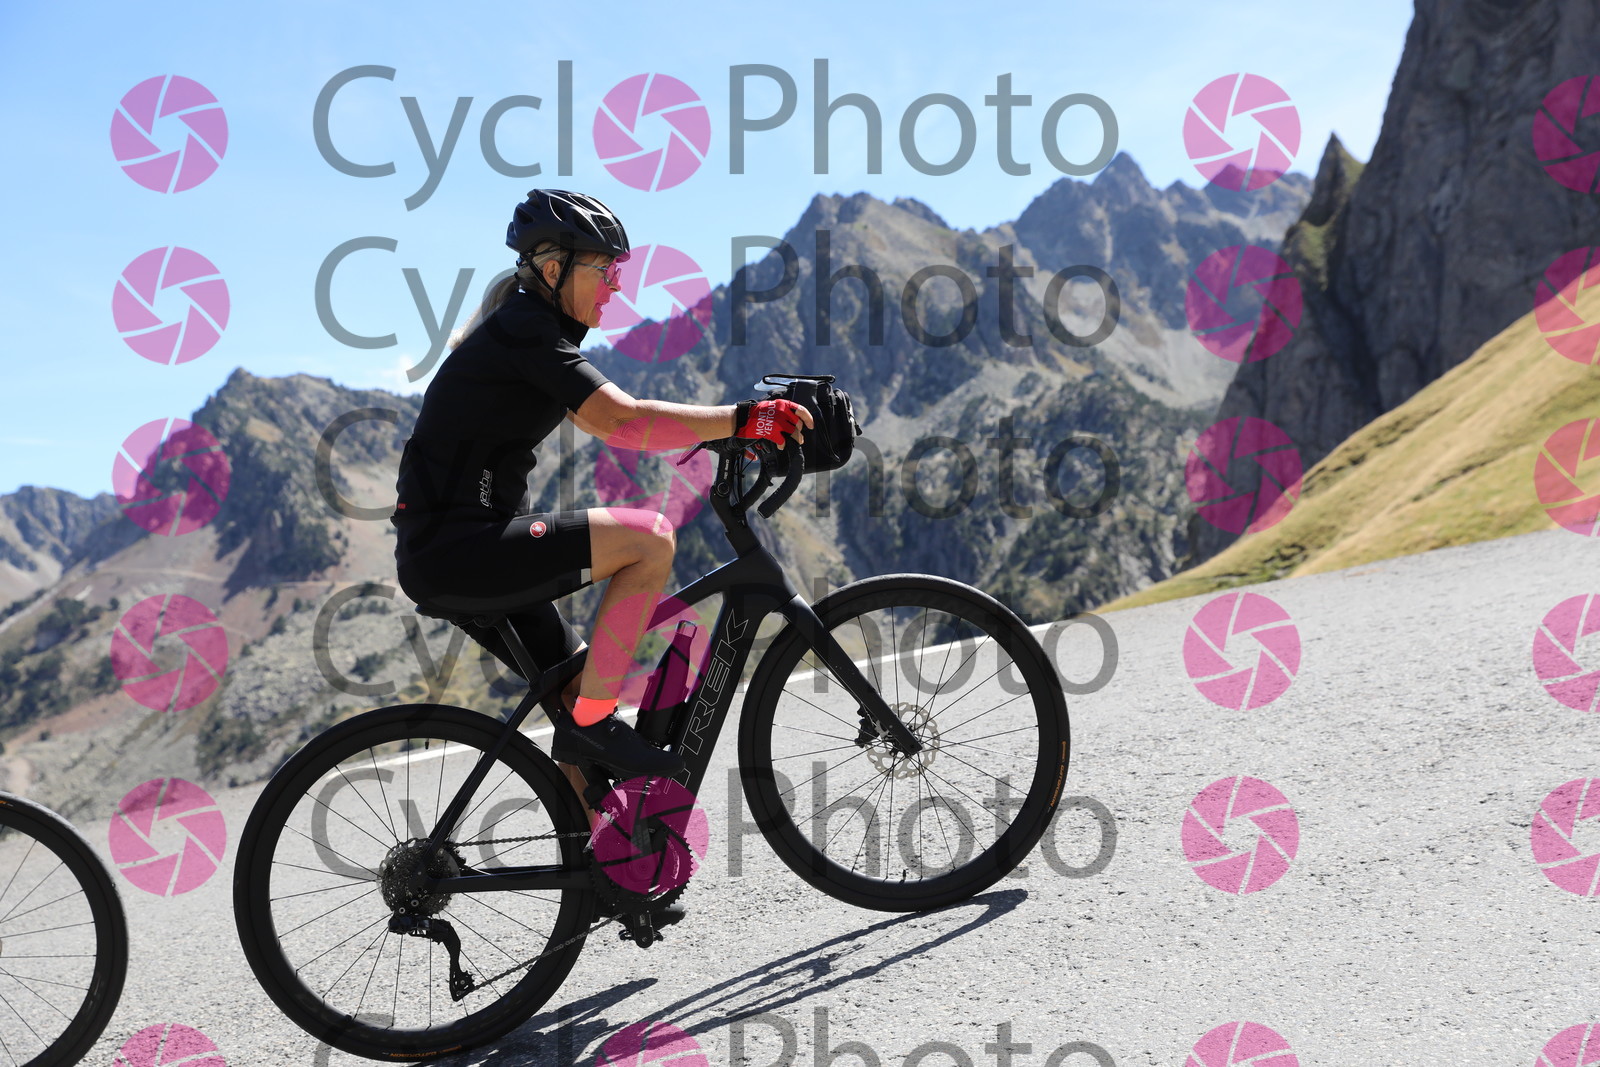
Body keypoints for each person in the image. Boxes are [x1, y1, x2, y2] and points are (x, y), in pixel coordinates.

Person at [390, 189, 812, 797]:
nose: (616, 287)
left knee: (575, 689)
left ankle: (601, 850)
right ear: (553, 271)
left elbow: (615, 423)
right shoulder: (526, 331)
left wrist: (726, 432)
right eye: (605, 270)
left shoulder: (528, 332)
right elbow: (622, 420)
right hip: (460, 549)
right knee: (650, 540)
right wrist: (746, 419)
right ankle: (593, 728)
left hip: (455, 551)